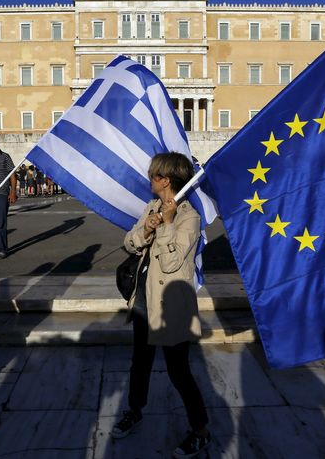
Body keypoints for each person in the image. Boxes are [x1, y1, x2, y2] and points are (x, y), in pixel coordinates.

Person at [111, 152, 211, 457]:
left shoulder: (190, 217)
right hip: (143, 299)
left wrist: (166, 225)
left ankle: (200, 429)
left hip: (171, 306)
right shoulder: (151, 207)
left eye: (154, 175)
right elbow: (129, 243)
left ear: (165, 180)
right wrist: (148, 229)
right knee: (139, 363)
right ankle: (134, 410)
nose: (150, 179)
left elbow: (171, 263)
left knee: (178, 371)